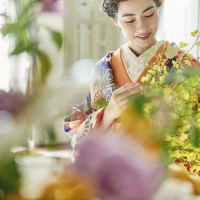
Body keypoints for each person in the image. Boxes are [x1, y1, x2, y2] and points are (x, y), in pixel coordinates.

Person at [64, 0, 200, 154]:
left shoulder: (186, 65)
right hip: (115, 167)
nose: (142, 27)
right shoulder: (103, 69)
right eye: (130, 20)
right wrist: (107, 114)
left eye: (149, 14)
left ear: (158, 8)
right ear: (115, 20)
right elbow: (78, 132)